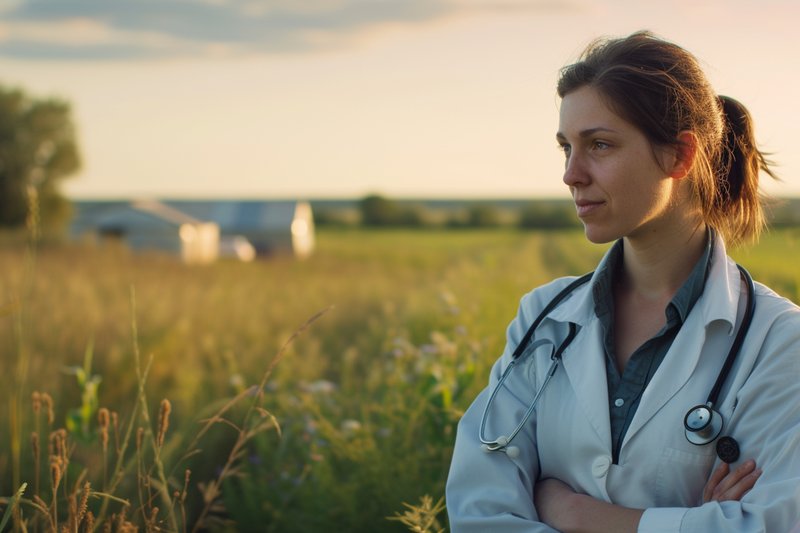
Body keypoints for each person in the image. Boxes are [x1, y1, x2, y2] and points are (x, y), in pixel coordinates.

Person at [446, 31, 800, 532]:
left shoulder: (779, 341)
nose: (571, 173)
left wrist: (575, 511)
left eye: (600, 145)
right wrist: (684, 522)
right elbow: (480, 509)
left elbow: (769, 525)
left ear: (679, 155)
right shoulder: (544, 318)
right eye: (566, 147)